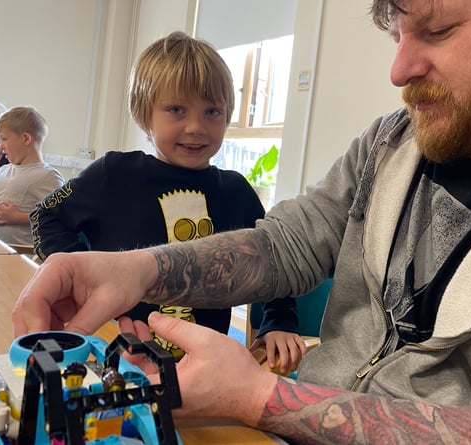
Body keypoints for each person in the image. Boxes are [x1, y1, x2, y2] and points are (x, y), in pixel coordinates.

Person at [13, 0, 471, 443]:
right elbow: (285, 245)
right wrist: (132, 269)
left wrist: (258, 397)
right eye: (397, 32)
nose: (400, 69)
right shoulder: (392, 142)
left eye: (438, 29)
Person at [29, 31, 305, 373]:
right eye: (176, 109)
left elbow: (275, 262)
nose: (196, 127)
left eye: (212, 112)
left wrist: (278, 321)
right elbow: (46, 214)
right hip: (116, 356)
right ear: (145, 112)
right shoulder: (113, 174)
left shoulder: (236, 192)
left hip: (201, 369)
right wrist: (76, 277)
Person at [0, 106, 64, 245]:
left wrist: (19, 217)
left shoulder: (48, 176)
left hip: (23, 254)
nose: (0, 146)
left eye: (4, 139)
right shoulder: (2, 171)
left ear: (26, 138)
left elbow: (59, 218)